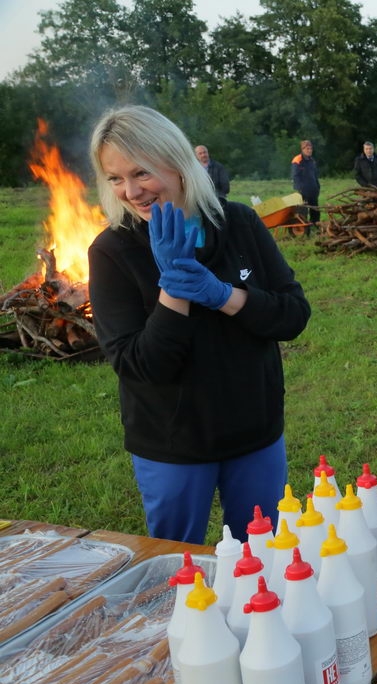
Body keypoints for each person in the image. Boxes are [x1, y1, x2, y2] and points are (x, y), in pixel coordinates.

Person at [87, 105, 311, 544]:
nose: (130, 191)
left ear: (177, 163)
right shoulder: (113, 251)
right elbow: (141, 366)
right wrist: (174, 289)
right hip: (172, 443)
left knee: (262, 556)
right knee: (179, 563)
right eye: (115, 178)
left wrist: (224, 295)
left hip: (255, 431)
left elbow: (292, 316)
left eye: (141, 172)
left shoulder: (239, 223)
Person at [292, 139, 321, 231]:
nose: (309, 150)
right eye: (307, 149)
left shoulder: (312, 160)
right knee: (303, 211)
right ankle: (303, 229)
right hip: (303, 190)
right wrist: (300, 189)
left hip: (313, 189)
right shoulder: (297, 160)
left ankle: (316, 225)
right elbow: (295, 176)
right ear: (303, 149)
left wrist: (318, 187)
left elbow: (315, 175)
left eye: (311, 148)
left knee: (315, 209)